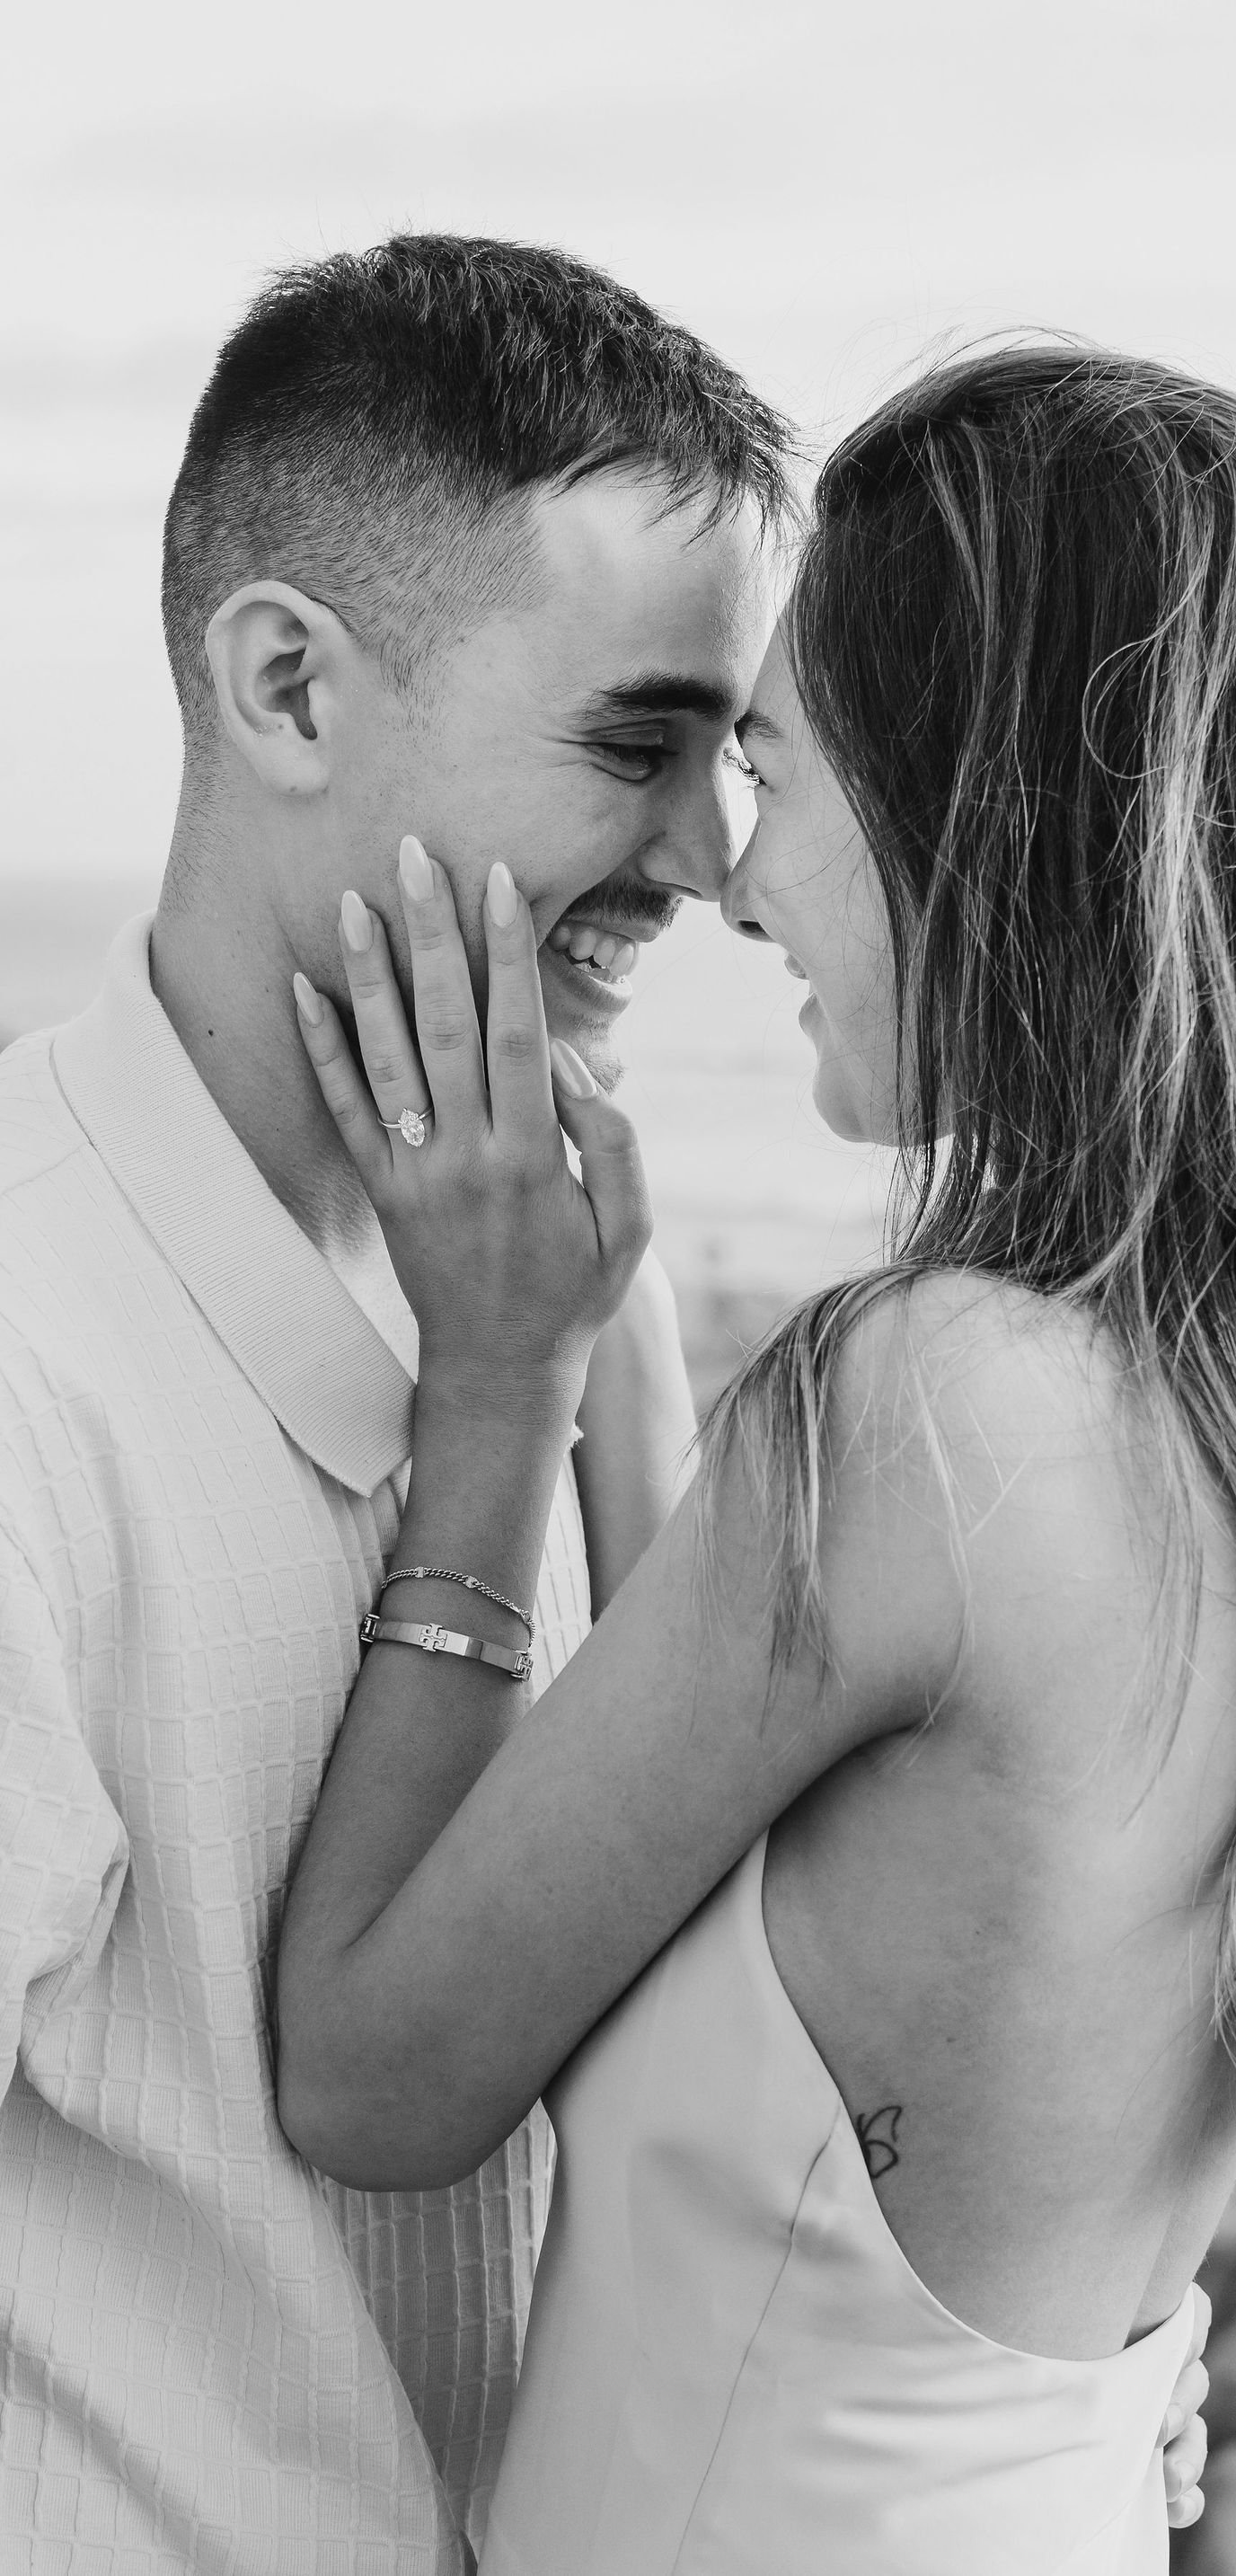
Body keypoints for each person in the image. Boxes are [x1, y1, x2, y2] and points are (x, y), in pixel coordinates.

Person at [275, 348, 1236, 2572]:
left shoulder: (931, 1412)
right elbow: (780, 1914)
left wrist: (490, 1396)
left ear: (977, 814)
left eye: (780, 764)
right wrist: (614, 1343)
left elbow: (374, 2076)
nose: (732, 881)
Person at [0, 235, 790, 2571]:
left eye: (738, 756)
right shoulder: (25, 1342)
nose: (716, 862)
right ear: (285, 685)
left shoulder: (571, 1281)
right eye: (637, 742)